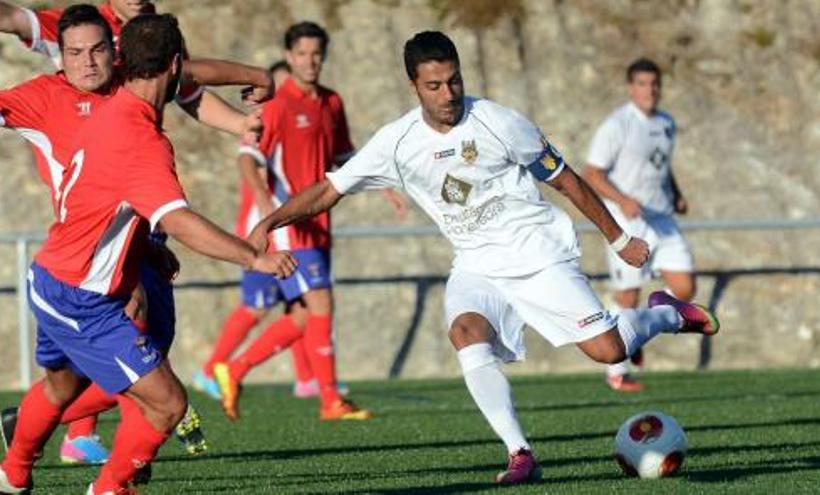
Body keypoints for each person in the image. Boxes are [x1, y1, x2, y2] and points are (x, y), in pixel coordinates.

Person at [248, 31, 720, 485]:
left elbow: (566, 180)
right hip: (476, 265)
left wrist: (618, 239)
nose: (448, 93)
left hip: (537, 256)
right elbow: (329, 191)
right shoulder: (395, 143)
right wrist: (270, 223)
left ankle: (664, 314)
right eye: (434, 85)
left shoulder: (499, 121)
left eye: (454, 80)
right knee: (465, 335)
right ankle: (519, 452)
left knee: (610, 351)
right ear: (414, 86)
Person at [0, 14, 295, 494]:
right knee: (166, 402)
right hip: (84, 292)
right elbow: (177, 218)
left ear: (119, 55)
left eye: (97, 50)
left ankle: (12, 474)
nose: (86, 61)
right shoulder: (131, 135)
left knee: (65, 384)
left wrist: (257, 78)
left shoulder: (119, 100)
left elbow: (192, 79)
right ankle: (109, 486)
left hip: (66, 270)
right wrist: (253, 257)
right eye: (73, 52)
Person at [208, 22, 378, 422]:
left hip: (320, 223)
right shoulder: (278, 104)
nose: (310, 61)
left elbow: (342, 157)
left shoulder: (332, 102)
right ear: (288, 56)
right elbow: (248, 157)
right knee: (321, 303)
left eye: (316, 53)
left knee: (303, 316)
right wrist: (267, 203)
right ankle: (330, 399)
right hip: (291, 224)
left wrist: (382, 179)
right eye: (301, 54)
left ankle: (235, 369)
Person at [583, 58, 695, 392]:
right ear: (631, 88)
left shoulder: (667, 123)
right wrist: (622, 200)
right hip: (627, 222)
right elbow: (592, 173)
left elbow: (662, 167)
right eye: (643, 84)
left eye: (655, 83)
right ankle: (617, 374)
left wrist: (676, 194)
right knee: (628, 297)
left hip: (661, 218)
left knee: (686, 289)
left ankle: (643, 327)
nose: (650, 90)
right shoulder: (617, 125)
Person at [0, 0, 273, 136]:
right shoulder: (83, 27)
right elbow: (13, 18)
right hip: (90, 163)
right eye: (77, 52)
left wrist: (240, 124)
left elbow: (188, 90)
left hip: (143, 157)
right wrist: (254, 75)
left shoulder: (160, 30)